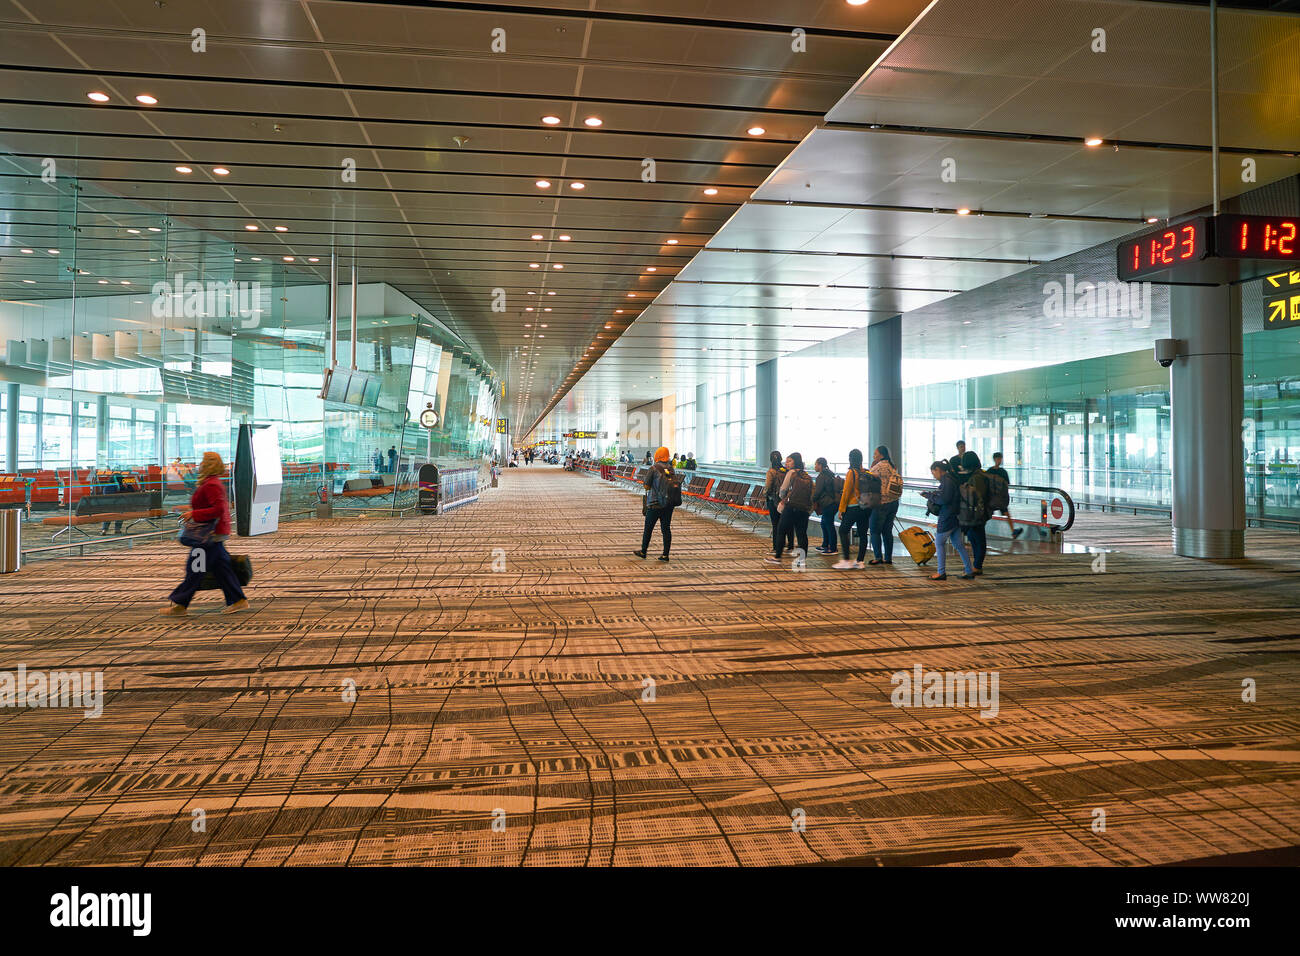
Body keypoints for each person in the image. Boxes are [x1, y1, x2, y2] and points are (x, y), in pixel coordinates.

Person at [161, 451, 249, 615]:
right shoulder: (211, 483)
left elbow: (218, 509)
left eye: (202, 461)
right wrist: (192, 510)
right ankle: (238, 600)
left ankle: (181, 603)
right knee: (221, 568)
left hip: (209, 535)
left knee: (195, 568)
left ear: (207, 465)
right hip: (212, 534)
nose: (199, 464)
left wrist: (194, 514)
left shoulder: (211, 485)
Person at [922, 460, 974, 581]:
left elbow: (944, 499)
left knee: (939, 542)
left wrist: (929, 496)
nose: (934, 476)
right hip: (955, 515)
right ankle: (969, 570)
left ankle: (941, 572)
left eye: (933, 473)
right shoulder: (951, 478)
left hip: (947, 516)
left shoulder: (947, 480)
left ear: (938, 470)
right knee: (958, 544)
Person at [768, 453, 813, 564]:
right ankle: (802, 560)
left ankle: (777, 557)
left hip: (791, 507)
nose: (786, 463)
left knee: (781, 530)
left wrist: (783, 499)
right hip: (803, 509)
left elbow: (783, 490)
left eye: (789, 461)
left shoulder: (791, 473)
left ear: (795, 462)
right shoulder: (806, 474)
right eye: (786, 461)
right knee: (802, 534)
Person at [833, 449, 873, 569]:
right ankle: (860, 561)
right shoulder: (865, 472)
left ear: (850, 458)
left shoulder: (852, 472)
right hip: (865, 506)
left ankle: (846, 560)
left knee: (843, 531)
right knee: (862, 533)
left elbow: (846, 492)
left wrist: (841, 509)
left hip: (853, 506)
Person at [635, 446, 677, 561]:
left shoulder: (654, 468)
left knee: (648, 528)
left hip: (655, 503)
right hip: (669, 504)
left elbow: (646, 486)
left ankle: (643, 551)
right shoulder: (671, 468)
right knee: (666, 529)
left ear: (657, 455)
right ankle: (665, 554)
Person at [867, 445, 903, 565]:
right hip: (893, 503)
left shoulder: (878, 467)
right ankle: (888, 558)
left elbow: (867, 477)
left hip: (881, 503)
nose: (874, 456)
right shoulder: (893, 466)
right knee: (887, 531)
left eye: (875, 454)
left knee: (875, 530)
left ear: (881, 455)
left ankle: (878, 557)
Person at [960, 450, 991, 575]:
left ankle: (978, 566)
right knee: (974, 537)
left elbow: (977, 495)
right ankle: (977, 565)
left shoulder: (977, 477)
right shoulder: (979, 475)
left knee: (978, 538)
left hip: (978, 512)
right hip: (980, 511)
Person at [986, 451, 1023, 538]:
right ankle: (1013, 531)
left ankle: (1013, 531)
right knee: (1001, 512)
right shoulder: (999, 472)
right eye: (998, 458)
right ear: (994, 459)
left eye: (1000, 458)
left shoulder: (992, 471)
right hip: (996, 498)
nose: (999, 460)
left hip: (994, 498)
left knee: (1004, 512)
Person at [763, 450, 794, 555]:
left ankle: (776, 547)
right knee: (787, 523)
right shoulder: (786, 471)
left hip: (774, 500)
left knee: (776, 524)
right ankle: (790, 546)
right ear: (781, 459)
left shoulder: (771, 472)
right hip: (785, 500)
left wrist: (765, 494)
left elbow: (768, 486)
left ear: (771, 460)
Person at [811, 457, 838, 554]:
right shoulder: (830, 474)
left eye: (816, 464)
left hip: (828, 503)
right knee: (824, 523)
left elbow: (818, 492)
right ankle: (825, 545)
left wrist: (812, 500)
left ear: (820, 465)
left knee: (828, 524)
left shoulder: (821, 476)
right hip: (833, 503)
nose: (815, 466)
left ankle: (833, 548)